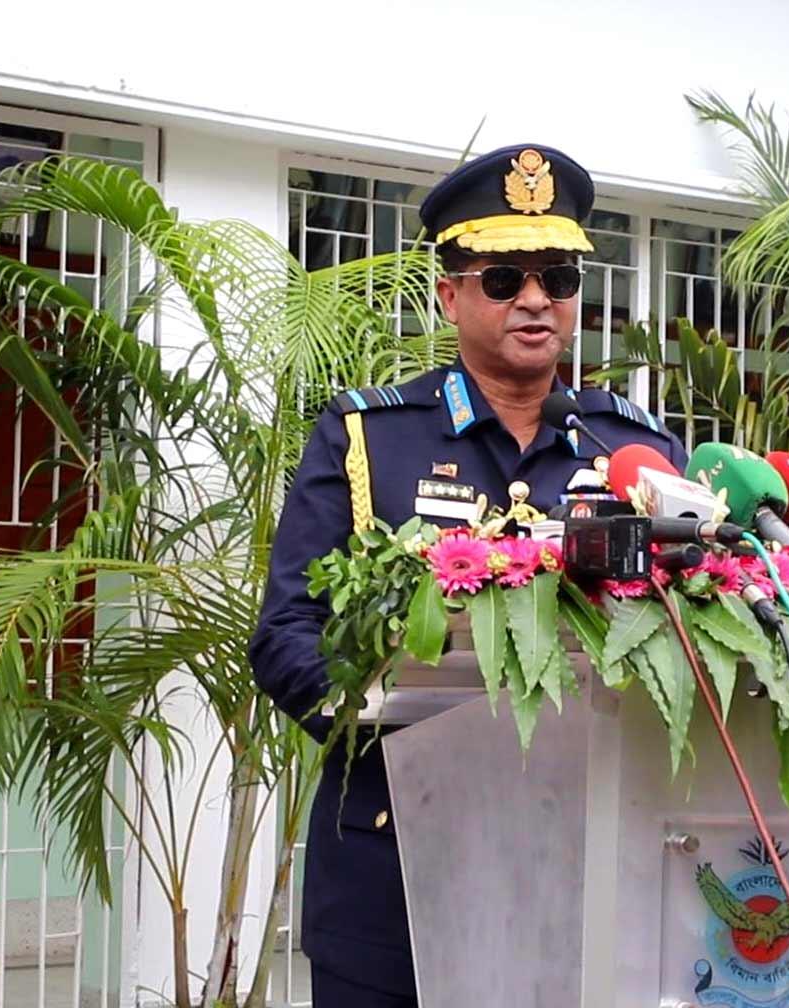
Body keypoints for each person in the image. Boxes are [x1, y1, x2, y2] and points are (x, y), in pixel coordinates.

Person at [251, 144, 686, 1006]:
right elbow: (287, 633)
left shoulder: (633, 449)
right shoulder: (371, 437)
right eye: (503, 279)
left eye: (557, 278)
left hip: (583, 862)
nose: (535, 300)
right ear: (450, 294)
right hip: (397, 859)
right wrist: (389, 716)